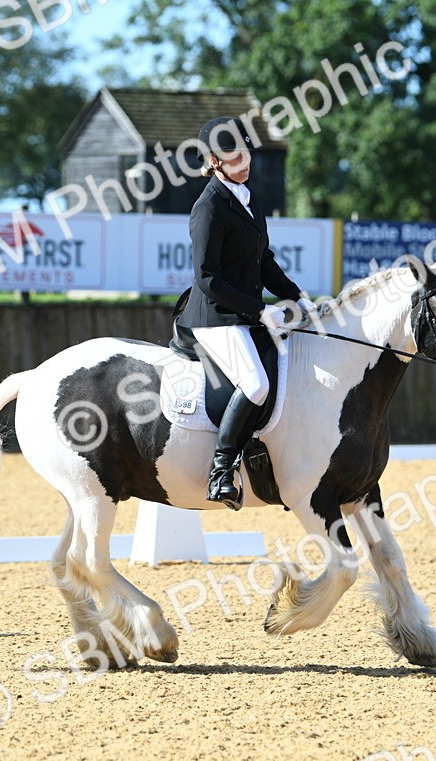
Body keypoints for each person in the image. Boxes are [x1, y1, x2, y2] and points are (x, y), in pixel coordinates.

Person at [174, 116, 317, 509]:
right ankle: (221, 469)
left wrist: (296, 297)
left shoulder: (246, 196)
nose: (244, 161)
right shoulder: (209, 208)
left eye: (245, 152)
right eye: (233, 157)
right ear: (215, 163)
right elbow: (207, 278)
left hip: (243, 314)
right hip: (214, 318)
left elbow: (263, 260)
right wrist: (260, 310)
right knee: (256, 384)